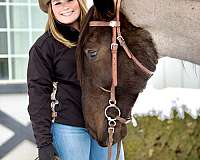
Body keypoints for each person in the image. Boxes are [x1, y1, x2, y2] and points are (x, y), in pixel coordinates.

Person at [27, 0, 125, 160]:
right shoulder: (44, 47)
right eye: (57, 3)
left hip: (106, 125)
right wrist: (44, 143)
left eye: (69, 0)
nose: (65, 7)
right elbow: (38, 96)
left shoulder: (104, 34)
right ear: (50, 8)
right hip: (70, 129)